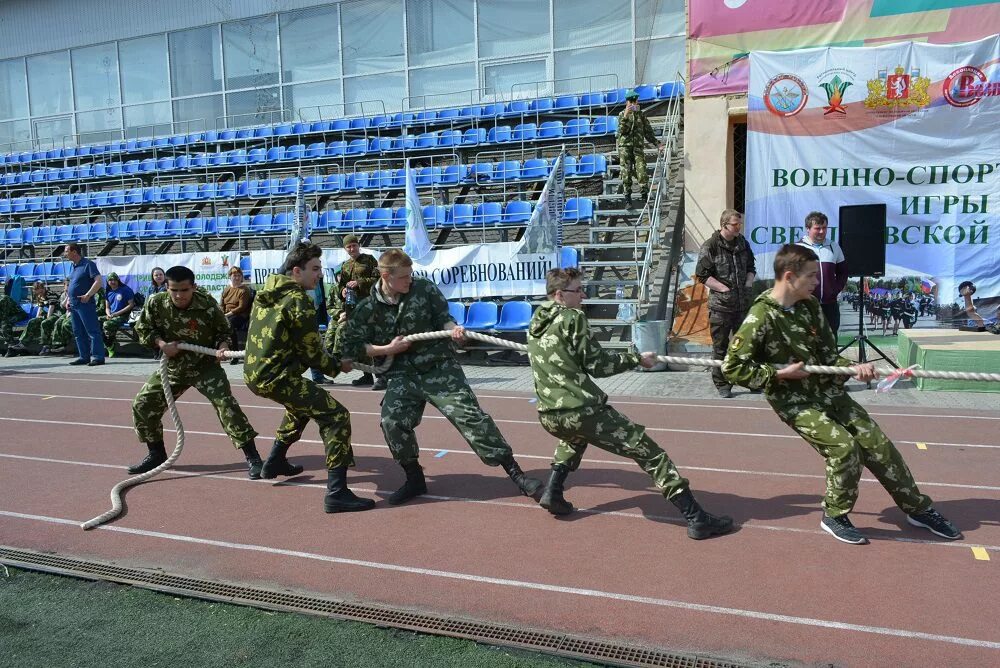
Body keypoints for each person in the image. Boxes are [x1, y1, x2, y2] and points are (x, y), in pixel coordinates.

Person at [722, 244, 961, 545]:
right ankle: (835, 515)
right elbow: (733, 368)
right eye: (811, 276)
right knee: (844, 448)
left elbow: (827, 357)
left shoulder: (809, 306)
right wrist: (779, 374)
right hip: (793, 401)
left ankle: (918, 509)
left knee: (879, 445)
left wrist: (854, 368)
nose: (817, 282)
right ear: (789, 276)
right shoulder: (761, 316)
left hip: (828, 393)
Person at [528, 268, 734, 539]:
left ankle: (554, 492)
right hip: (580, 410)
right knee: (651, 454)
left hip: (549, 414)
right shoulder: (573, 318)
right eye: (577, 291)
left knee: (574, 436)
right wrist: (636, 359)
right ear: (559, 295)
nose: (583, 296)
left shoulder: (536, 320)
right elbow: (599, 365)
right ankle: (696, 518)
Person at [341, 248, 543, 505]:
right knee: (392, 422)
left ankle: (516, 474)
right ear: (385, 276)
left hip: (439, 368)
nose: (410, 280)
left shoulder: (424, 289)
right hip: (403, 374)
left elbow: (444, 320)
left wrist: (455, 331)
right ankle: (414, 478)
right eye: (404, 276)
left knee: (472, 419)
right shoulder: (368, 308)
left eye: (411, 274)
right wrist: (387, 349)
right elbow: (352, 347)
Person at [243, 242, 374, 513]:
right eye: (314, 269)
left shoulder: (266, 291)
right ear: (296, 271)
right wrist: (339, 366)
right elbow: (314, 353)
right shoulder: (298, 299)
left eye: (320, 269)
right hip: (277, 377)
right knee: (336, 416)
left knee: (301, 406)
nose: (319, 275)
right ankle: (337, 492)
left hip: (256, 373)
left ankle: (275, 461)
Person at [128, 265, 263, 479]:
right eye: (174, 290)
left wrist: (223, 346)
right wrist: (161, 344)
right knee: (143, 404)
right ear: (166, 287)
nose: (179, 295)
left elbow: (224, 331)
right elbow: (143, 329)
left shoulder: (207, 304)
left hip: (205, 367)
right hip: (174, 368)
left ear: (194, 287)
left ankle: (253, 457)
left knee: (226, 405)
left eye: (184, 290)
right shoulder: (156, 303)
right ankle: (156, 454)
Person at [695, 209, 756, 398]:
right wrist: (723, 289)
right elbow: (702, 275)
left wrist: (747, 283)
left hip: (742, 306)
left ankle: (749, 379)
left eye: (740, 224)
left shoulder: (743, 243)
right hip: (721, 308)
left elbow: (751, 267)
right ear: (724, 225)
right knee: (720, 347)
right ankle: (722, 384)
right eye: (735, 225)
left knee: (745, 346)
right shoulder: (711, 246)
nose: (738, 228)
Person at [327, 234, 381, 388]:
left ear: (358, 245)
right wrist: (342, 290)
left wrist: (360, 282)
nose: (352, 249)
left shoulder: (369, 260)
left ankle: (380, 375)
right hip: (352, 307)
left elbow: (378, 280)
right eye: (348, 247)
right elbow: (340, 287)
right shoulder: (345, 266)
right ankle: (366, 375)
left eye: (354, 246)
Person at [795, 211, 848, 336]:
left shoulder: (834, 247)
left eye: (824, 228)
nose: (821, 231)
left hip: (830, 306)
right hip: (806, 306)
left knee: (831, 340)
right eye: (817, 228)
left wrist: (835, 289)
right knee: (807, 341)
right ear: (808, 229)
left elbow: (843, 272)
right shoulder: (798, 248)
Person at [616, 89, 663, 208]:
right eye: (630, 101)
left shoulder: (641, 115)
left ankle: (644, 196)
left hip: (637, 147)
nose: (632, 103)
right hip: (625, 147)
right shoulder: (621, 115)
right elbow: (622, 131)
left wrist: (657, 143)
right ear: (626, 102)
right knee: (626, 173)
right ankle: (628, 199)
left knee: (641, 171)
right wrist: (626, 115)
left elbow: (648, 132)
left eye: (634, 101)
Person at [62, 243, 105, 366]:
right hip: (74, 304)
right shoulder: (74, 266)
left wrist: (88, 295)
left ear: (74, 252)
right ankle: (84, 356)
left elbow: (98, 281)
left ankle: (98, 357)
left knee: (92, 331)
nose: (65, 254)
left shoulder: (88, 264)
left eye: (66, 251)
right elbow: (72, 285)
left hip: (85, 303)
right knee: (78, 332)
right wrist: (69, 300)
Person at [6, 280, 60, 356]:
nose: (35, 291)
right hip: (47, 314)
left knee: (45, 322)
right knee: (32, 321)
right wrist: (37, 318)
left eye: (36, 289)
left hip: (56, 314)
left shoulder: (51, 294)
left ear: (41, 288)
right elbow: (40, 308)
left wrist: (47, 318)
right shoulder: (40, 296)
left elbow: (52, 307)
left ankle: (46, 346)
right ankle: (23, 343)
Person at [220, 265, 252, 365]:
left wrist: (227, 315)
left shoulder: (244, 290)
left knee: (230, 324)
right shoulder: (227, 289)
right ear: (230, 277)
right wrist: (221, 314)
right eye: (234, 276)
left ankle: (235, 355)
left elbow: (241, 307)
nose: (237, 278)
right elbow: (222, 304)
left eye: (239, 275)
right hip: (227, 314)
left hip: (240, 315)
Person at [100, 272, 135, 357]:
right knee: (94, 322)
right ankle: (108, 344)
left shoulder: (125, 289)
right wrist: (108, 314)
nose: (113, 282)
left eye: (115, 279)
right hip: (112, 315)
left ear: (118, 280)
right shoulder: (108, 292)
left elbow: (131, 305)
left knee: (107, 324)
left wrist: (117, 314)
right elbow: (107, 307)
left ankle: (110, 344)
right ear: (107, 282)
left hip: (124, 316)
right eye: (110, 280)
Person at [0, 279, 26, 354]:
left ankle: (12, 347)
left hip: (19, 314)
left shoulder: (3, 300)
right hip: (6, 316)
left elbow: (4, 316)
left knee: (5, 324)